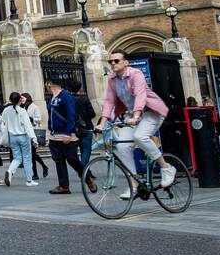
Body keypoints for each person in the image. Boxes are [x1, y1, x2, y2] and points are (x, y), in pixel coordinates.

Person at [98, 50, 176, 199]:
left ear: (126, 62)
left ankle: (166, 168)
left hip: (151, 112)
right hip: (132, 115)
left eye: (116, 60)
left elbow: (141, 94)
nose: (113, 63)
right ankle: (133, 184)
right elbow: (109, 101)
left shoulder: (136, 74)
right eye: (110, 61)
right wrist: (102, 123)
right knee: (121, 145)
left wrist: (136, 115)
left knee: (140, 136)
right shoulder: (112, 78)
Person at [45, 79, 96, 195]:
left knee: (72, 160)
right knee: (58, 160)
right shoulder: (51, 98)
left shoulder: (66, 96)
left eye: (46, 84)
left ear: (49, 84)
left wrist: (68, 133)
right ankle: (64, 186)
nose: (46, 86)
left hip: (67, 134)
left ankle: (88, 179)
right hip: (54, 135)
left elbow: (71, 114)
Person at [0, 92, 38, 186]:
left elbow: (3, 121)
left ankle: (10, 171)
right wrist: (34, 138)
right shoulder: (22, 111)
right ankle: (29, 180)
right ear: (19, 100)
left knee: (17, 157)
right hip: (23, 136)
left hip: (12, 137)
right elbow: (28, 126)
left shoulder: (6, 110)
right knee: (27, 158)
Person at [20, 93, 49, 180]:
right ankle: (44, 167)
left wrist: (31, 119)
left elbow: (39, 119)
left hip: (34, 132)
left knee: (32, 154)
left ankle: (36, 173)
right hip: (26, 133)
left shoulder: (34, 107)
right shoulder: (23, 107)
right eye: (21, 99)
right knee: (32, 154)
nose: (21, 100)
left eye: (22, 98)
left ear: (27, 98)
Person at [70, 80, 97, 168]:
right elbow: (92, 114)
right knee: (86, 150)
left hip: (73, 129)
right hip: (86, 127)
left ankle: (86, 171)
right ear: (80, 88)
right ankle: (84, 170)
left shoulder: (68, 99)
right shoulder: (84, 98)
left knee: (74, 151)